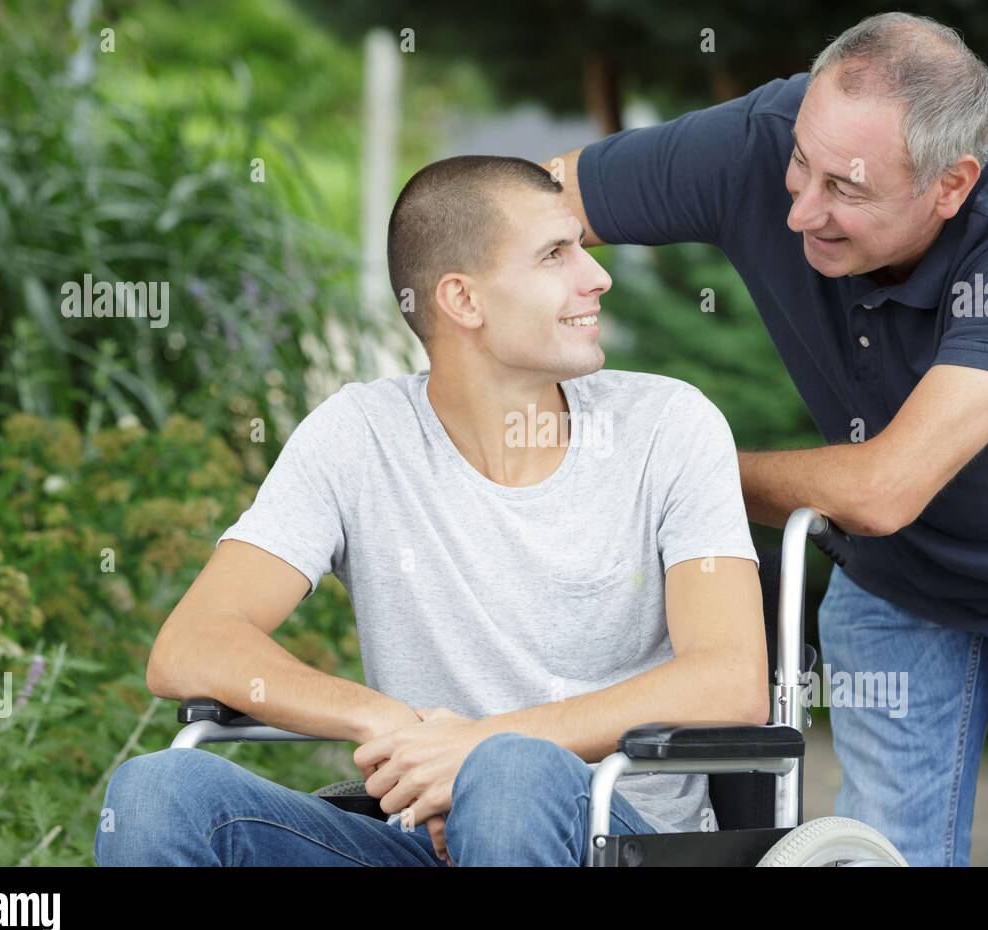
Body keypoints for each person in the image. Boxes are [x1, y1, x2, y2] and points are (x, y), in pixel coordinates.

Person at [548, 11, 988, 865]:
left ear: (951, 185)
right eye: (801, 167)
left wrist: (668, 470)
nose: (801, 211)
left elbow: (881, 491)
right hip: (904, 577)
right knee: (881, 851)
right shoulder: (766, 139)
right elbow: (516, 204)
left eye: (847, 191)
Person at [95, 155, 769, 867]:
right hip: (420, 845)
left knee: (509, 773)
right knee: (157, 791)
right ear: (462, 300)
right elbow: (191, 646)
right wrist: (393, 725)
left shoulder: (668, 424)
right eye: (554, 254)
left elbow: (730, 679)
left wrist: (481, 751)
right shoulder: (358, 434)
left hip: (616, 841)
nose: (596, 276)